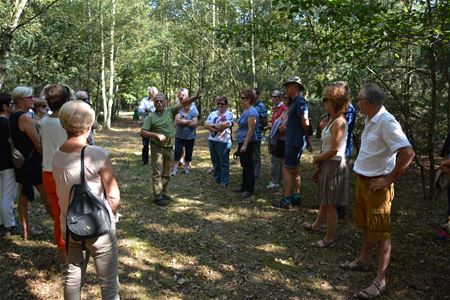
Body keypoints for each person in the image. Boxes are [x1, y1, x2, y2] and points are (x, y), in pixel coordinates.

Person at [339, 83, 415, 299]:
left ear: (369, 102)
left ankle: (380, 280)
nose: (357, 104)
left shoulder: (387, 121)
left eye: (360, 101)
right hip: (364, 181)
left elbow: (408, 153)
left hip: (377, 186)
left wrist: (388, 179)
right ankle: (363, 261)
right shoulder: (370, 119)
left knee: (381, 233)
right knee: (367, 226)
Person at [52, 100, 120, 299]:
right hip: (99, 226)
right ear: (90, 126)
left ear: (63, 125)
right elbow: (114, 197)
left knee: (72, 277)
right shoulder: (97, 154)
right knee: (108, 282)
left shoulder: (56, 155)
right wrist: (112, 215)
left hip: (69, 224)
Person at [303, 82, 350, 248]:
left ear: (334, 102)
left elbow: (334, 150)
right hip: (328, 163)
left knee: (330, 204)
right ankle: (317, 225)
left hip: (334, 165)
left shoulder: (339, 122)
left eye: (326, 100)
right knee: (325, 199)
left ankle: (329, 238)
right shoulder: (331, 120)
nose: (324, 103)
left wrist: (318, 157)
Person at [140, 92, 202, 206]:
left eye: (161, 101)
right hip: (157, 148)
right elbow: (142, 132)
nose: (159, 103)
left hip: (169, 148)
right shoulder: (150, 117)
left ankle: (162, 192)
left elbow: (184, 103)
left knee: (167, 173)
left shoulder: (170, 111)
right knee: (157, 173)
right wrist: (156, 135)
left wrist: (195, 97)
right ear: (154, 103)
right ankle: (158, 196)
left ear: (165, 102)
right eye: (157, 101)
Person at [10, 86, 52, 239]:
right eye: (29, 97)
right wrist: (48, 159)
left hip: (21, 163)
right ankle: (62, 227)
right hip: (32, 163)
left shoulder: (14, 116)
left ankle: (26, 230)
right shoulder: (25, 118)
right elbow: (38, 144)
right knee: (46, 195)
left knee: (23, 195)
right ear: (20, 100)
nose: (32, 99)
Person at [40, 84, 70, 265]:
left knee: (59, 215)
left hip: (48, 172)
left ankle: (64, 255)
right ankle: (72, 253)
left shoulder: (43, 122)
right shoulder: (68, 122)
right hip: (66, 173)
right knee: (70, 213)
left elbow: (42, 146)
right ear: (66, 100)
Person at [272, 77, 312, 209]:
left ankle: (287, 199)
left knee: (287, 168)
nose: (286, 88)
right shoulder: (293, 102)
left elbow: (305, 122)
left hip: (294, 141)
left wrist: (305, 137)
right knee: (294, 169)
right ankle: (296, 196)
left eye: (288, 86)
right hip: (293, 139)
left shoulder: (300, 101)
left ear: (296, 87)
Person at [233, 90, 259, 198]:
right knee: (244, 165)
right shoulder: (245, 111)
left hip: (248, 142)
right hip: (242, 141)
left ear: (249, 100)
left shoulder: (252, 112)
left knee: (249, 166)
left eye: (243, 98)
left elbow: (251, 129)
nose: (241, 100)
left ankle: (249, 189)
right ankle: (244, 186)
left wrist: (245, 145)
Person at [204, 96, 234, 187]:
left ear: (226, 104)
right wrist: (217, 126)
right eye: (218, 103)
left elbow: (225, 126)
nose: (220, 105)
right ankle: (217, 178)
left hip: (224, 141)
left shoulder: (229, 114)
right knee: (215, 160)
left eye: (222, 104)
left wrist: (212, 126)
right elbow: (205, 125)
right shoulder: (213, 113)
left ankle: (224, 181)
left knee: (223, 161)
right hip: (212, 140)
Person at [0, 93, 19, 236]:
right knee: (8, 195)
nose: (12, 106)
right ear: (5, 106)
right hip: (7, 163)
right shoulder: (7, 123)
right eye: (11, 104)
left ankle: (2, 222)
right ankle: (9, 225)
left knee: (2, 194)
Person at [266, 90, 287, 189]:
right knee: (276, 159)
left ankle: (276, 181)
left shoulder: (283, 108)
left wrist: (272, 125)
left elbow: (280, 123)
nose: (273, 98)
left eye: (275, 97)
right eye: (272, 96)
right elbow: (274, 121)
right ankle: (279, 180)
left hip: (281, 138)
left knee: (277, 160)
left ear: (280, 98)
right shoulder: (275, 108)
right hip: (276, 137)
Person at [171, 102, 199, 175]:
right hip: (179, 136)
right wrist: (189, 121)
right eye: (186, 104)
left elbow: (194, 124)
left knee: (188, 153)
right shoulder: (179, 111)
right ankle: (175, 169)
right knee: (177, 152)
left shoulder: (193, 112)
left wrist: (183, 121)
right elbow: (178, 121)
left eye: (189, 104)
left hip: (190, 137)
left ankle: (186, 168)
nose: (187, 105)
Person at [138, 86, 157, 165]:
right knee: (145, 144)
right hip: (146, 125)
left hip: (156, 125)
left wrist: (147, 110)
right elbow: (140, 109)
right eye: (152, 93)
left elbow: (160, 111)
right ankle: (144, 160)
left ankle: (155, 160)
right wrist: (148, 110)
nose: (153, 94)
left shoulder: (159, 100)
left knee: (155, 144)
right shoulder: (144, 100)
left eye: (154, 93)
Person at [252, 88, 268, 179]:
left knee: (256, 155)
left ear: (258, 95)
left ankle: (256, 174)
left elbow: (264, 121)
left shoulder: (261, 106)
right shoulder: (249, 105)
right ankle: (251, 171)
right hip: (248, 134)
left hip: (256, 134)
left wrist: (260, 131)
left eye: (253, 94)